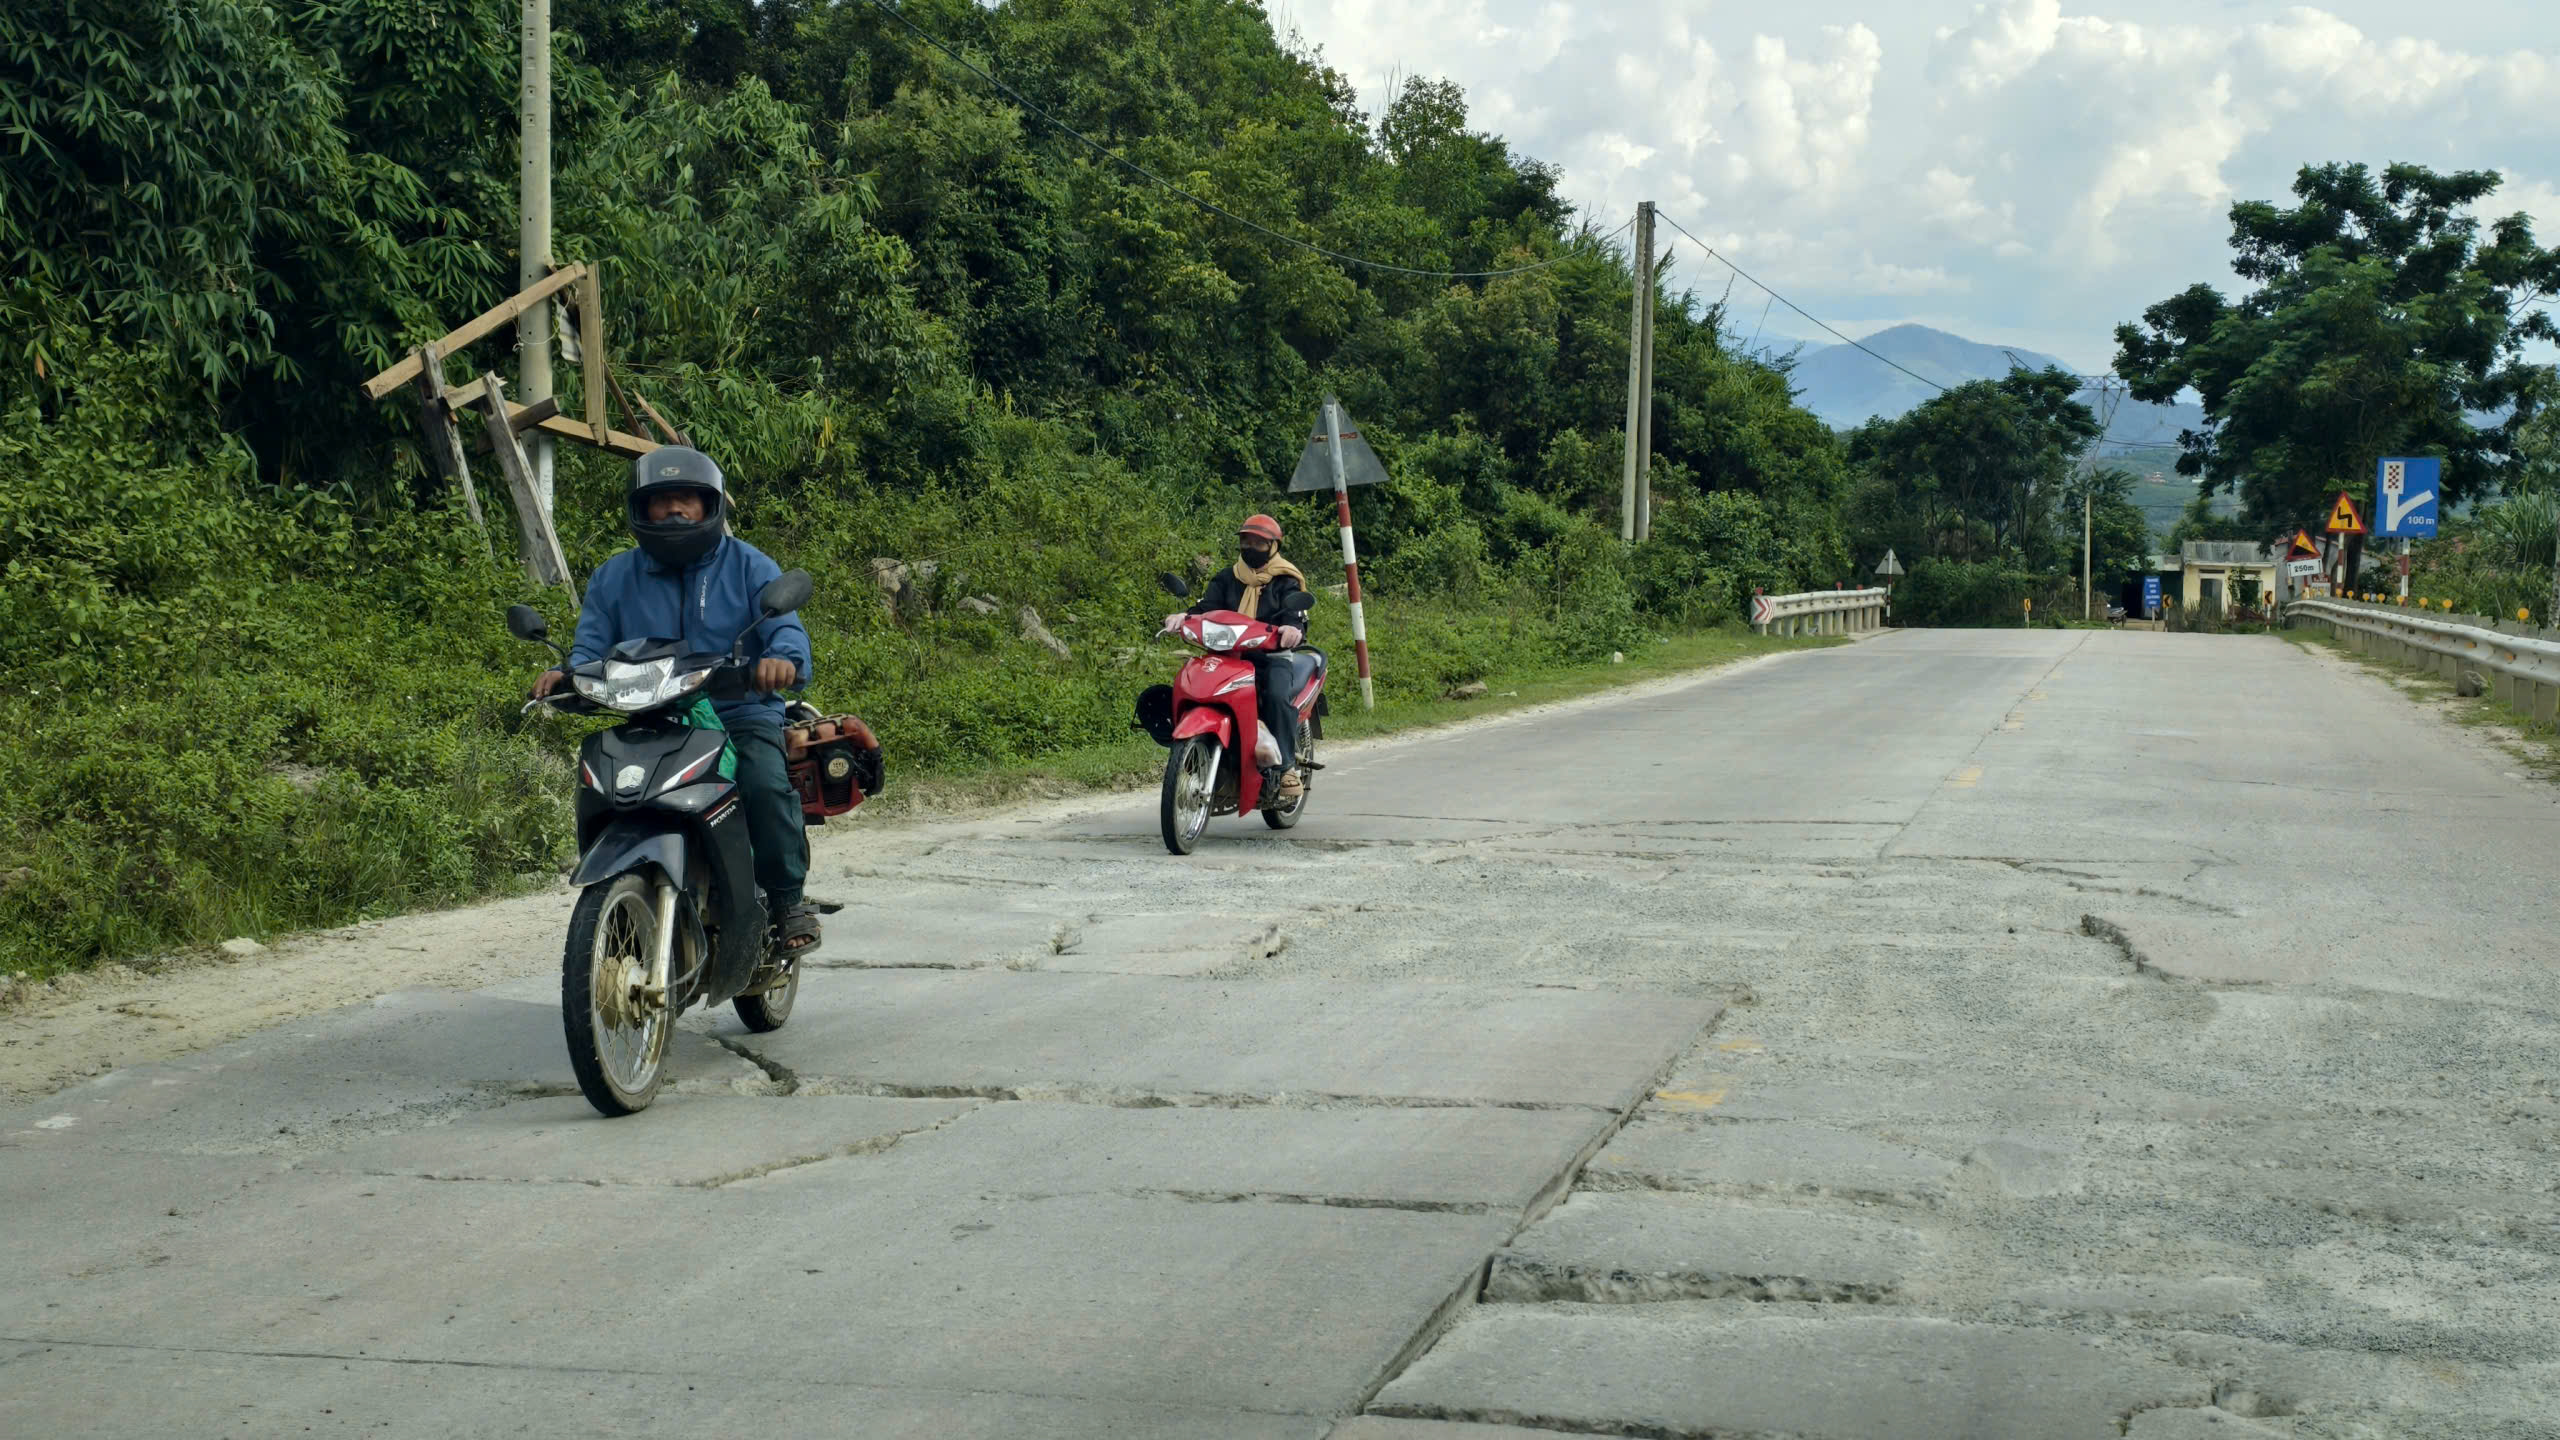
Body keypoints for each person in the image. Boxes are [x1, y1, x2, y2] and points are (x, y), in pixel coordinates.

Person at [533, 446, 822, 954]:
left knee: (761, 778)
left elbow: (786, 632)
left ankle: (785, 897)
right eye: (660, 501)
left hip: (738, 711)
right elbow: (589, 648)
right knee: (607, 782)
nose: (674, 511)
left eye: (686, 498)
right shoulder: (614, 576)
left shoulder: (750, 565)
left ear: (709, 506)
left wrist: (782, 662)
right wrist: (566, 674)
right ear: (640, 510)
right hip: (650, 714)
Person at [1163, 513, 1317, 801]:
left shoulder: (1286, 579)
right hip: (1229, 654)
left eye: (1258, 542)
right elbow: (1207, 607)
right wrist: (1182, 617)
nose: (1250, 546)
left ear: (1273, 546)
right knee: (1194, 683)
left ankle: (1285, 768)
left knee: (1275, 696)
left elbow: (1296, 615)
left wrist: (1292, 628)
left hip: (1271, 655)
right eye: (1246, 540)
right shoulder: (1227, 576)